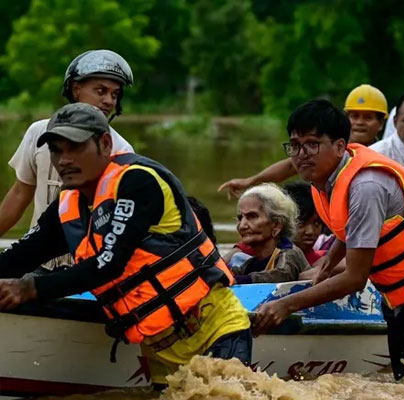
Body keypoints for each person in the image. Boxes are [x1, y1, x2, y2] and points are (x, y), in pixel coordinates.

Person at [0, 103, 251, 387]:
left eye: (75, 147)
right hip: (160, 350)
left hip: (214, 330)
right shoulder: (67, 205)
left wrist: (29, 288)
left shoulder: (138, 180)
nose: (64, 159)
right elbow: (22, 255)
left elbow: (109, 263)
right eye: (57, 150)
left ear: (105, 144)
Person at [253, 100, 404, 381]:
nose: (301, 154)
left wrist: (286, 305)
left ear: (339, 146)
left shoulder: (365, 187)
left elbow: (355, 278)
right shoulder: (326, 179)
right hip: (401, 294)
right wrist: (328, 262)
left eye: (312, 144)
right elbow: (348, 229)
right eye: (295, 145)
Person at [0, 50, 134, 242]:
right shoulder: (39, 132)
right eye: (100, 91)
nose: (109, 101)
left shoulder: (121, 149)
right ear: (76, 89)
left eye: (115, 94)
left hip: (86, 262)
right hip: (36, 257)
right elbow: (20, 194)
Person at [218, 84, 388, 199]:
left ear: (381, 124)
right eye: (355, 116)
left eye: (368, 117)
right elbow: (291, 165)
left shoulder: (383, 157)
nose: (359, 122)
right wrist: (250, 182)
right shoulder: (326, 149)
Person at [224, 183, 313, 283]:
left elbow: (280, 276)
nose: (242, 226)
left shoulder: (290, 253)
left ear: (276, 225)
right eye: (241, 218)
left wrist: (239, 280)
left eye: (252, 216)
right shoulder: (250, 264)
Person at [284, 181, 326, 265]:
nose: (310, 231)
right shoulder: (262, 262)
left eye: (316, 223)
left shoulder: (328, 262)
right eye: (301, 223)